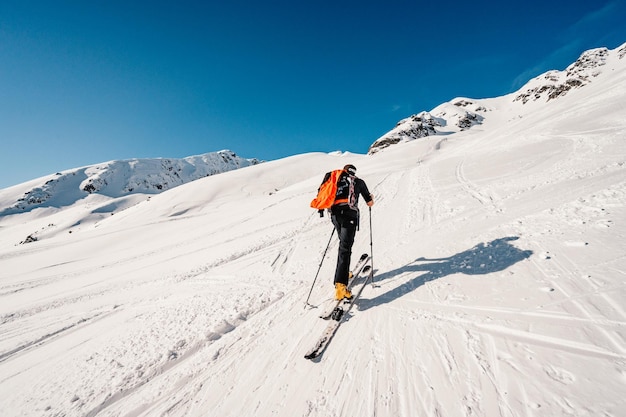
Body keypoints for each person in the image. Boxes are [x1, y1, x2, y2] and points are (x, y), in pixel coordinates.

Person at [324, 164, 374, 300]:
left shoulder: (336, 179)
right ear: (354, 172)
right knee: (345, 248)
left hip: (335, 216)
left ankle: (343, 273)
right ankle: (340, 285)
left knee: (343, 246)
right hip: (349, 217)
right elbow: (369, 202)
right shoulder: (358, 181)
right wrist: (370, 199)